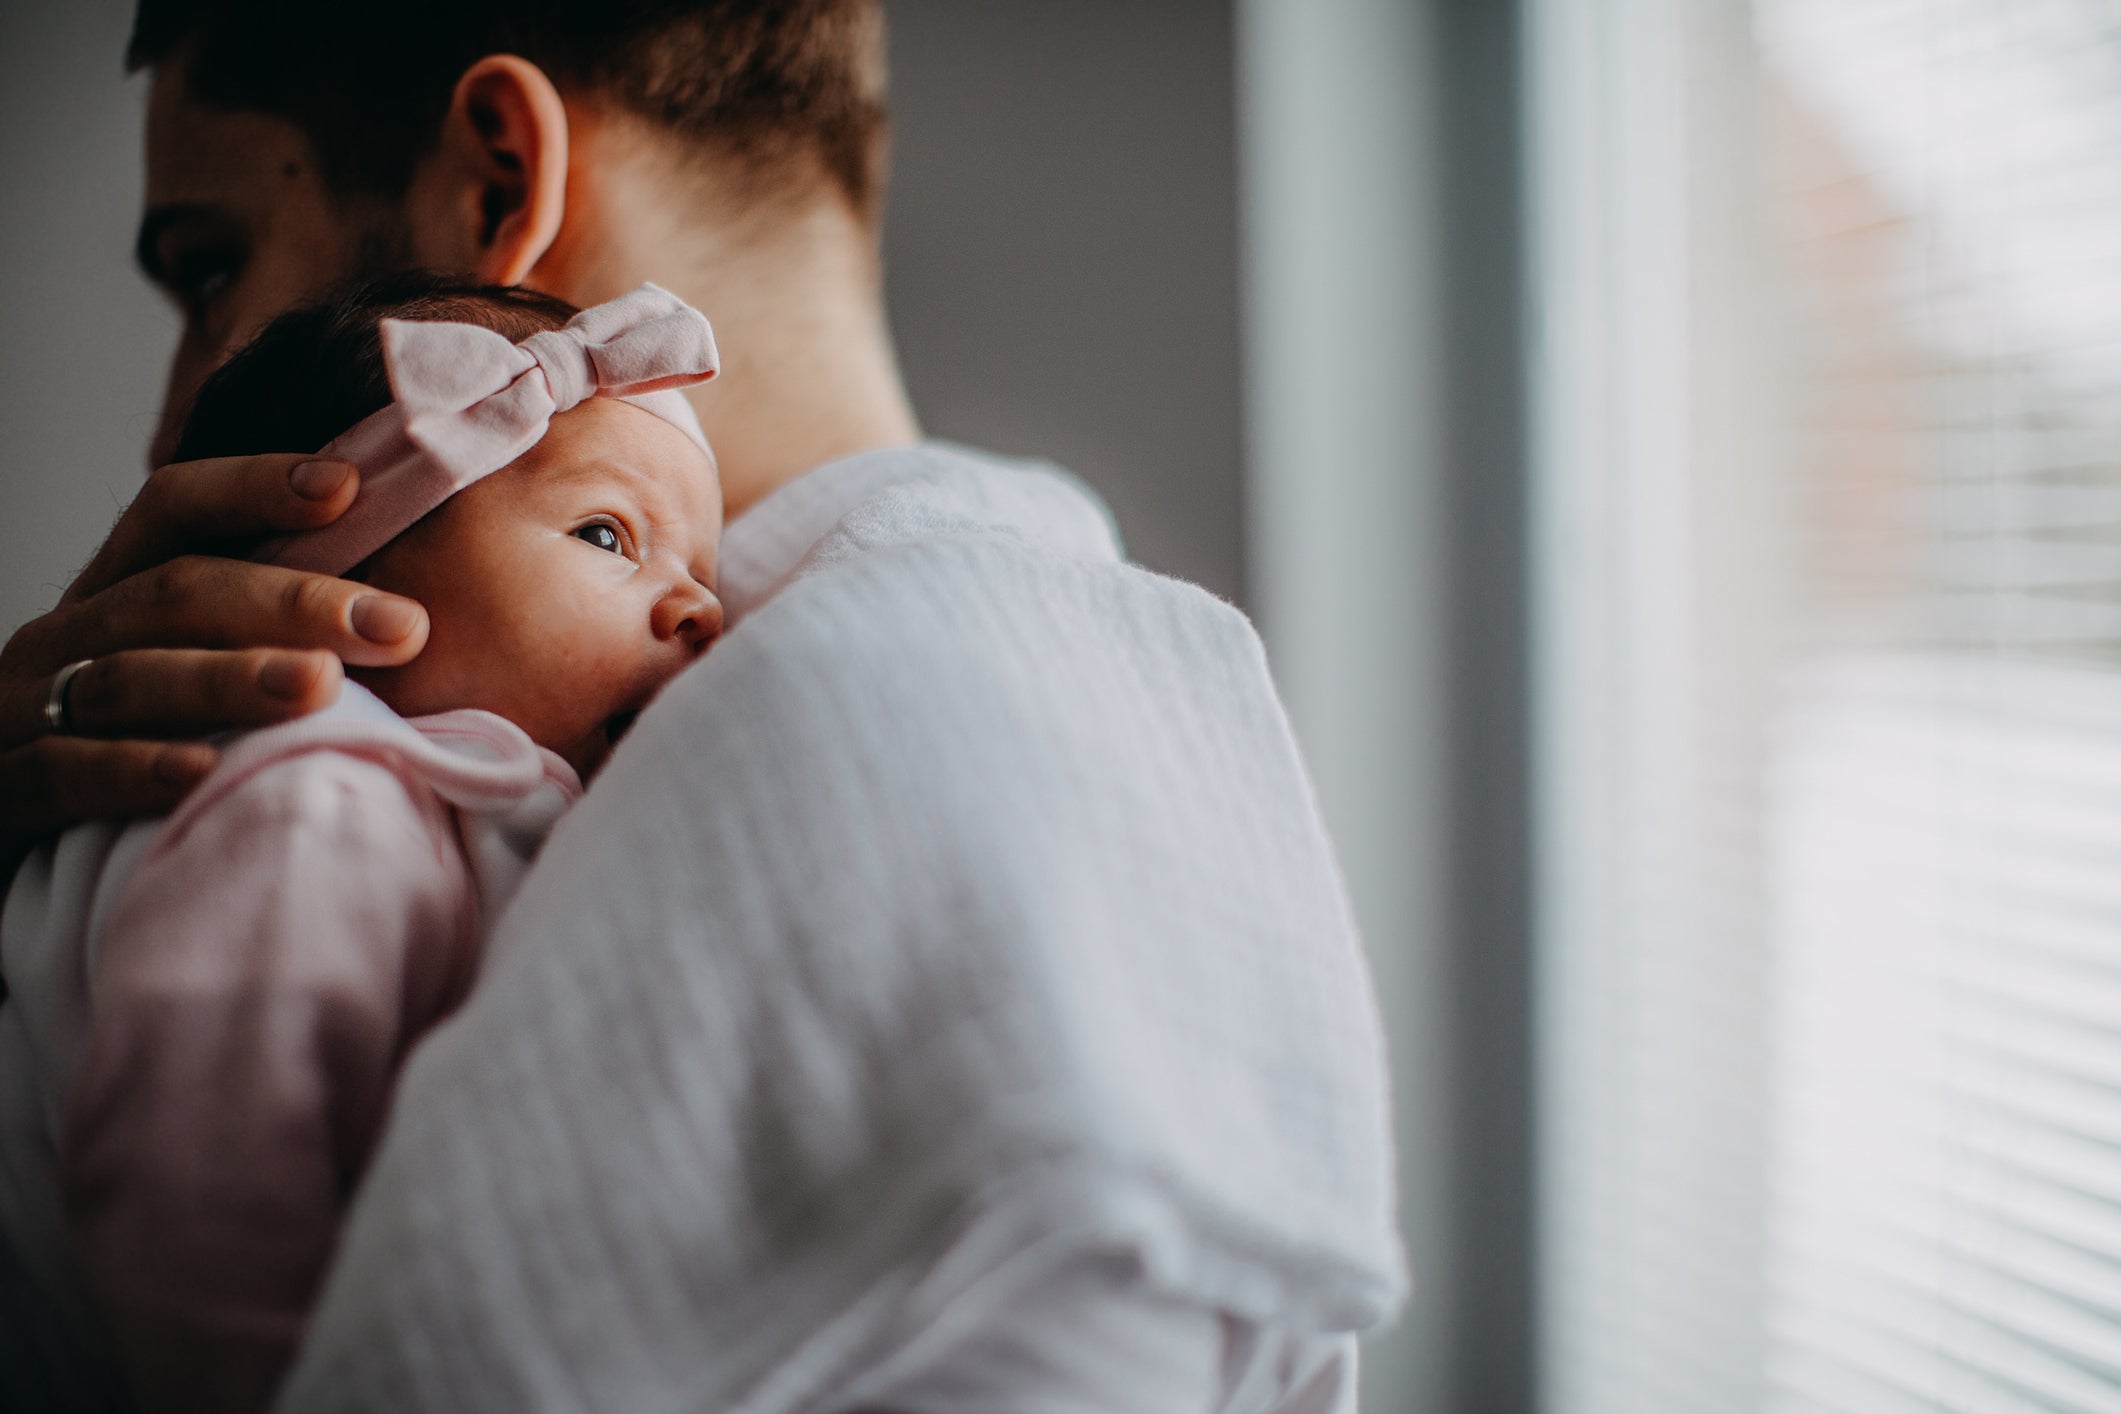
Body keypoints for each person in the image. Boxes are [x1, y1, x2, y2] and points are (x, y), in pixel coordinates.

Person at [0, 4, 1407, 1411]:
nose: (175, 414)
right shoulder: (1112, 695)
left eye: (211, 270)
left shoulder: (838, 740)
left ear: (499, 180)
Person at [2, 276, 725, 1414]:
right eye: (607, 535)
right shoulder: (316, 797)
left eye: (703, 572)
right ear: (351, 586)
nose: (701, 611)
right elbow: (196, 1182)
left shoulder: (435, 789)